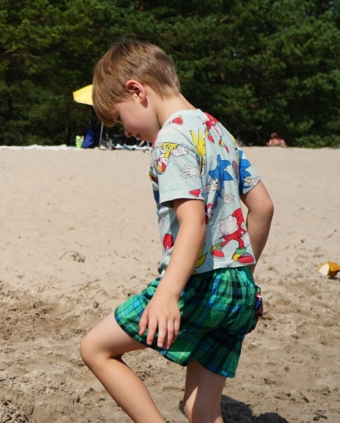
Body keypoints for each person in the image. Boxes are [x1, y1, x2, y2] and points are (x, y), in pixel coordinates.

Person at [78, 40, 275, 423]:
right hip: (238, 289)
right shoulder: (218, 130)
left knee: (96, 349)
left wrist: (168, 294)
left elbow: (193, 220)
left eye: (120, 118)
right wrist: (243, 277)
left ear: (137, 91)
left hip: (196, 284)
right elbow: (263, 207)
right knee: (201, 410)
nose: (127, 131)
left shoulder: (170, 138)